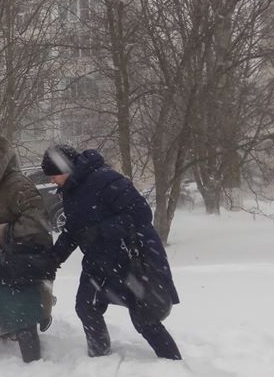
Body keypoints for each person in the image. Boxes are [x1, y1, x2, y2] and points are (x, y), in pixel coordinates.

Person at [42, 144, 182, 360]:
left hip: (128, 261)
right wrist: (54, 258)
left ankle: (173, 362)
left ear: (66, 168)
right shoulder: (71, 190)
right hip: (98, 262)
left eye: (54, 175)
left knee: (145, 318)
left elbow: (141, 215)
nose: (52, 181)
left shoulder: (105, 179)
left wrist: (99, 231)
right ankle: (100, 356)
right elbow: (74, 230)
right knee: (86, 307)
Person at [0, 137, 55, 363]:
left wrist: (4, 231)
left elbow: (37, 222)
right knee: (13, 308)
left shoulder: (17, 185)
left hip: (23, 258)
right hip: (9, 257)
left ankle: (33, 363)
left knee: (23, 312)